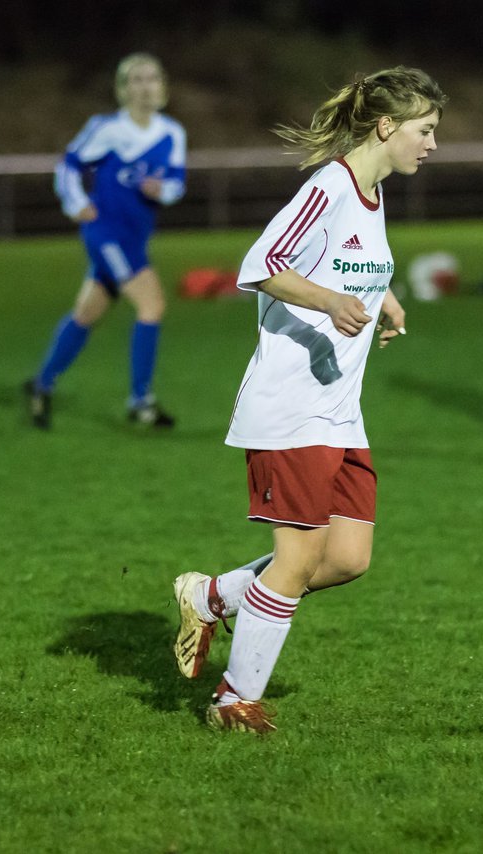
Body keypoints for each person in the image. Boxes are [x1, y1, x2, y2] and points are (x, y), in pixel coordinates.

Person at [171, 67, 446, 734]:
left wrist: (385, 301)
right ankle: (233, 699)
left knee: (348, 558)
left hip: (339, 412)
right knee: (296, 561)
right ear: (387, 127)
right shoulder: (329, 188)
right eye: (425, 131)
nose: (433, 145)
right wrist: (331, 302)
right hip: (291, 407)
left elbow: (353, 264)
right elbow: (259, 264)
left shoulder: (375, 195)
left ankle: (210, 597)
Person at [23, 53, 185, 430]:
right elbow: (68, 166)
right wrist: (76, 202)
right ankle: (140, 402)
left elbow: (177, 184)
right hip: (106, 234)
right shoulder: (106, 128)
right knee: (152, 304)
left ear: (163, 87)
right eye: (137, 80)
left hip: (135, 237)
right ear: (123, 89)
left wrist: (163, 190)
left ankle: (41, 384)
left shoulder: (172, 132)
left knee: (87, 313)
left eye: (153, 79)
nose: (146, 86)